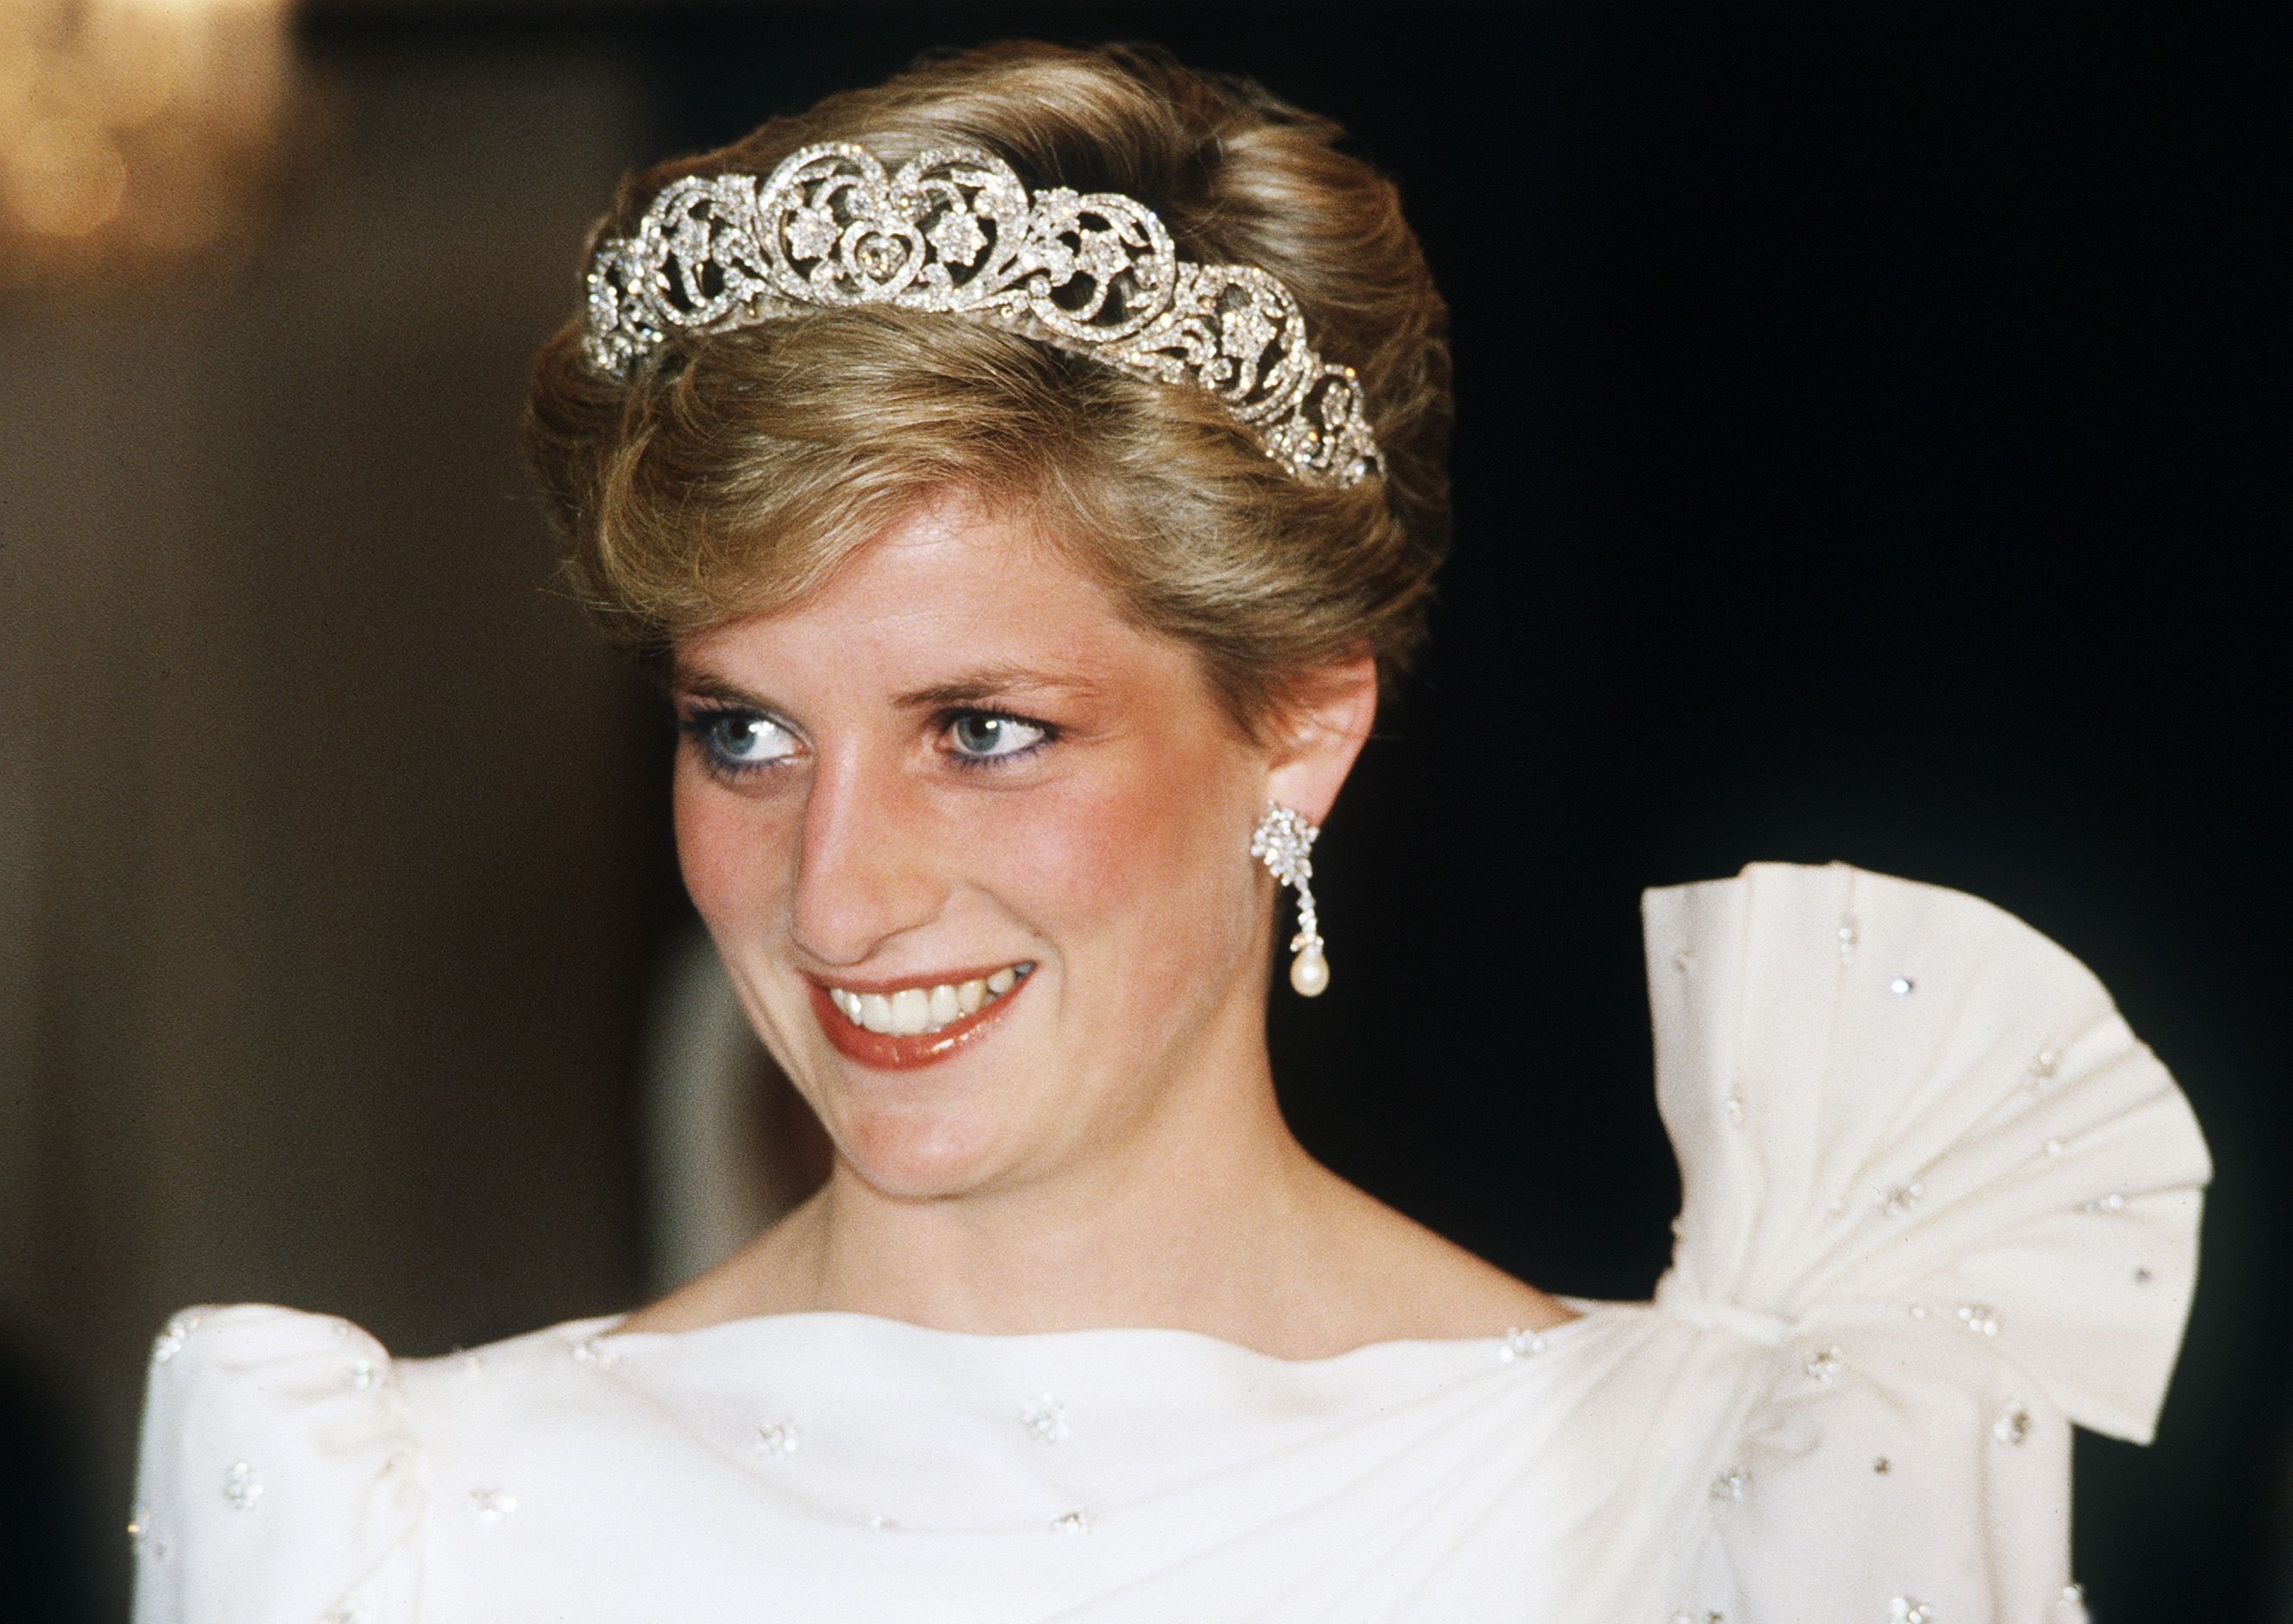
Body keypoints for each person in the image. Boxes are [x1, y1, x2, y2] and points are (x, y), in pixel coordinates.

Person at [130, 41, 2209, 1622]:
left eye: (984, 729)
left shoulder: (1716, 1490)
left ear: (1295, 738)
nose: (836, 892)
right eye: (746, 735)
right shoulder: (393, 1518)